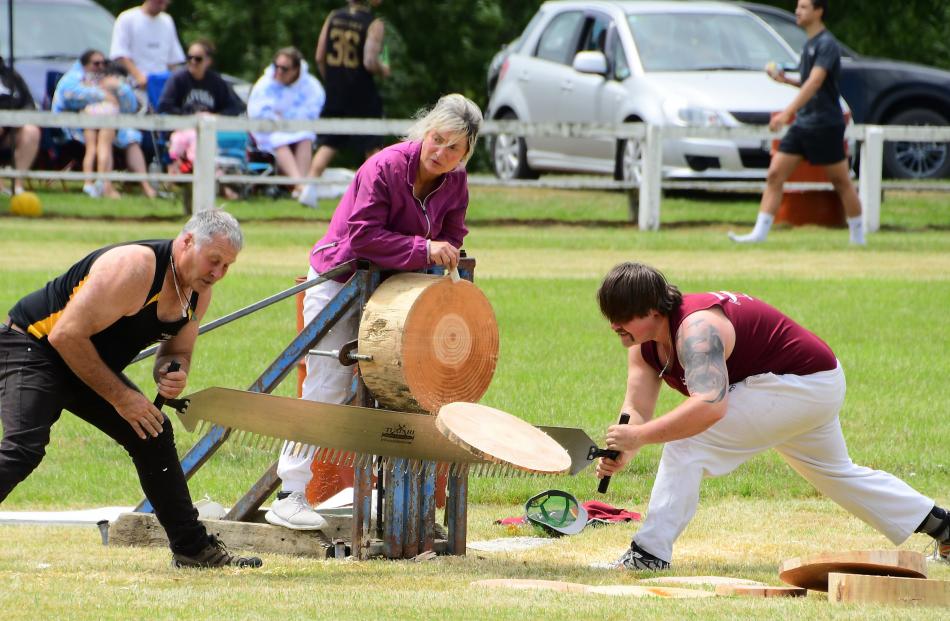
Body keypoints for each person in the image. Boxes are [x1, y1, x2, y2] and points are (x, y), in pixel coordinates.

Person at [594, 261, 949, 570]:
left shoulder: (696, 330)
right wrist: (627, 446)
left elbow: (709, 406)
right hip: (809, 383)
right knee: (836, 474)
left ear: (654, 310)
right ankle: (943, 527)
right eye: (610, 317)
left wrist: (641, 436)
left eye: (623, 317)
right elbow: (637, 409)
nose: (614, 326)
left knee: (687, 442)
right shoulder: (643, 348)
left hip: (798, 384)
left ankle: (649, 554)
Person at [267, 93, 483, 530]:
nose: (441, 153)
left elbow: (453, 233)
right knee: (326, 385)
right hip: (339, 282)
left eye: (454, 148)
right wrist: (424, 248)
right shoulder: (384, 167)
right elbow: (363, 237)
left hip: (393, 291)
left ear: (467, 152)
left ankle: (397, 505)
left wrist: (447, 253)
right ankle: (289, 493)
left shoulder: (455, 182)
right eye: (437, 140)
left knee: (403, 388)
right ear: (425, 131)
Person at [0, 209, 262, 569]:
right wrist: (123, 399)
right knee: (24, 447)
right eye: (213, 260)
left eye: (227, 266)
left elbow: (178, 350)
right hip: (35, 345)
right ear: (187, 242)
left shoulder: (197, 293)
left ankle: (193, 551)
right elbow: (65, 335)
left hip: (84, 360)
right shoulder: (135, 267)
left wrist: (175, 372)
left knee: (152, 433)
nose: (217, 273)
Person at [728, 0, 864, 246]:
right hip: (804, 123)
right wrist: (786, 81)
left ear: (818, 11)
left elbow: (815, 84)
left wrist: (785, 114)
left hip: (825, 123)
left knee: (841, 181)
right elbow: (809, 84)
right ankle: (758, 235)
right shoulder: (809, 45)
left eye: (803, 7)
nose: (797, 12)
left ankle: (858, 237)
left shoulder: (826, 44)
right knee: (775, 174)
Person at [296, 0, 390, 209]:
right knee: (371, 142)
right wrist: (383, 69)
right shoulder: (374, 23)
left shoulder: (333, 16)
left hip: (336, 89)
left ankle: (308, 188)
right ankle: (375, 194)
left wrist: (331, 81)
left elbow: (320, 56)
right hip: (362, 90)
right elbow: (369, 61)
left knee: (330, 141)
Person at [52, 50, 157, 199]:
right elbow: (68, 94)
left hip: (101, 120)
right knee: (100, 147)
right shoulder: (74, 77)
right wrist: (105, 94)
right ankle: (104, 185)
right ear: (85, 64)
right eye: (96, 63)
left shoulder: (105, 79)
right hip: (81, 126)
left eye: (104, 63)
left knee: (125, 141)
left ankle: (93, 185)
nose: (101, 66)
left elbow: (130, 106)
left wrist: (118, 87)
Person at [247, 47, 326, 199]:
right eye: (276, 66)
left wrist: (288, 121)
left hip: (297, 131)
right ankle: (302, 188)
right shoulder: (264, 85)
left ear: (296, 70)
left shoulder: (311, 86)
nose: (279, 71)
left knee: (305, 138)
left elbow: (312, 112)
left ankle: (299, 189)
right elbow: (258, 112)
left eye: (284, 68)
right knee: (279, 140)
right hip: (269, 132)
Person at [110, 0, 186, 90]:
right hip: (134, 86)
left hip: (161, 86)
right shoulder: (127, 18)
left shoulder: (167, 21)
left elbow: (173, 60)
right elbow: (120, 53)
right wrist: (138, 76)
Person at [157, 39, 245, 117]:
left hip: (211, 129)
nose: (193, 62)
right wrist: (192, 116)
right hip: (182, 129)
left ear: (208, 61)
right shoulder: (178, 79)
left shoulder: (216, 82)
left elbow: (237, 106)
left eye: (198, 59)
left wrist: (215, 116)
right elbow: (164, 106)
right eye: (189, 57)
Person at [0, 57, 40, 196]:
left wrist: (20, 120)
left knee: (31, 131)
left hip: (12, 128)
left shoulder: (11, 75)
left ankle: (17, 187)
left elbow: (28, 103)